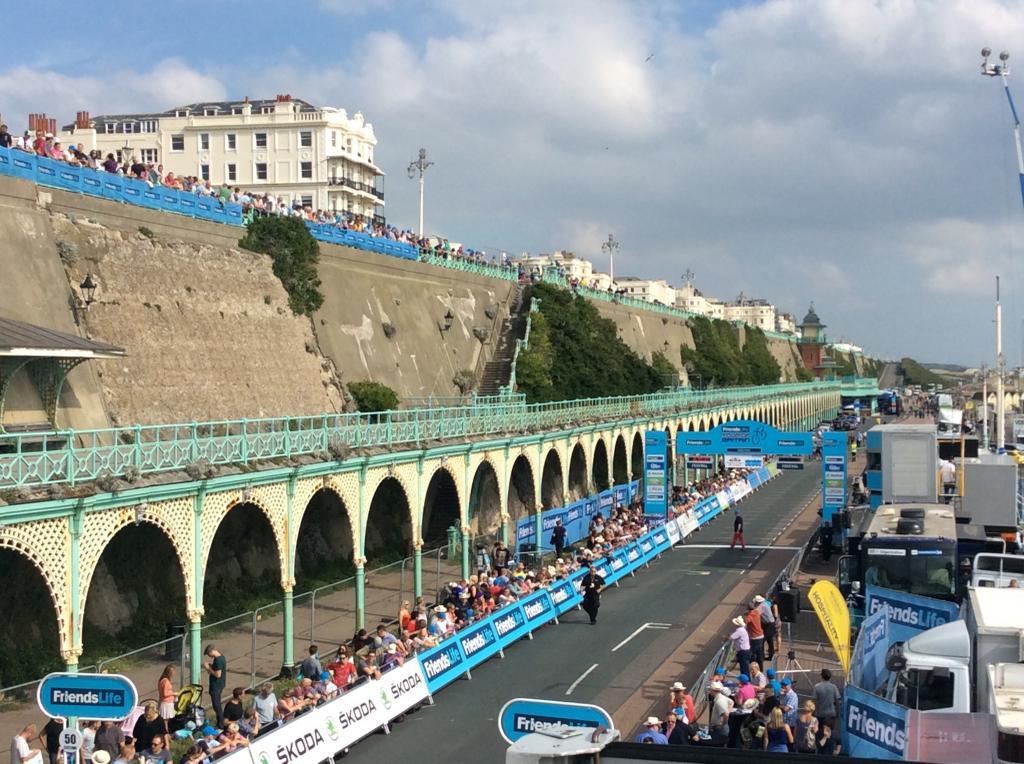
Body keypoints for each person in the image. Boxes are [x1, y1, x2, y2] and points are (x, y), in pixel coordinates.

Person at [203, 644, 227, 727]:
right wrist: (211, 666)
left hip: (216, 686)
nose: (209, 656)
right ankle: (219, 722)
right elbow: (217, 669)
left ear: (211, 651)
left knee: (216, 705)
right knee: (217, 705)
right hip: (219, 684)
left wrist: (208, 668)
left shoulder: (218, 660)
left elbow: (218, 674)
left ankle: (221, 723)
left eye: (208, 654)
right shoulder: (221, 657)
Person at [580, 560, 605, 625]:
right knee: (585, 605)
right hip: (588, 594)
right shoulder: (586, 577)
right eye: (592, 571)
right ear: (590, 571)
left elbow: (603, 584)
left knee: (596, 605)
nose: (593, 572)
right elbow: (582, 585)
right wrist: (581, 591)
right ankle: (591, 614)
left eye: (594, 571)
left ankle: (593, 619)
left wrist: (600, 589)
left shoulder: (598, 577)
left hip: (595, 593)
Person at [745, 601, 765, 667]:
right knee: (759, 653)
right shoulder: (756, 612)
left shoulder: (750, 615)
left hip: (755, 637)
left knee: (751, 653)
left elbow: (746, 621)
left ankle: (751, 667)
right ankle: (761, 668)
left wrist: (745, 616)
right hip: (760, 635)